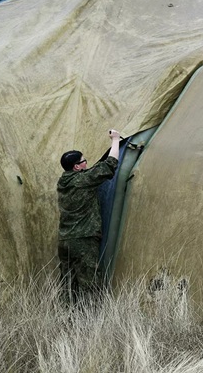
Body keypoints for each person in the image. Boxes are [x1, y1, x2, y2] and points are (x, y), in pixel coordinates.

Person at [57, 129, 120, 302]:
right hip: (82, 240)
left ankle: (67, 319)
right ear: (77, 167)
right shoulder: (82, 181)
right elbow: (110, 165)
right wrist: (115, 139)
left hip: (65, 241)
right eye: (84, 161)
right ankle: (90, 322)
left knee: (69, 285)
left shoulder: (63, 182)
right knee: (90, 283)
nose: (87, 163)